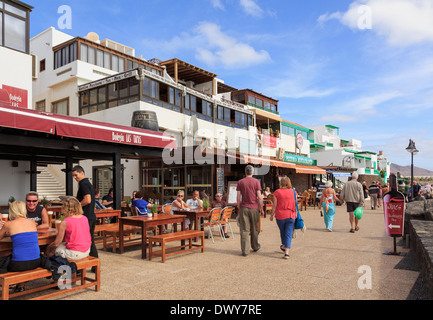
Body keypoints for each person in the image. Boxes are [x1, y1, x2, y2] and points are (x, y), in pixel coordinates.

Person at [0, 201, 50, 292]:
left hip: (18, 265)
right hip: (36, 262)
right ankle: (20, 285)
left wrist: (4, 229)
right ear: (24, 210)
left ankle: (12, 285)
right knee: (19, 254)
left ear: (12, 211)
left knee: (5, 257)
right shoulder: (32, 222)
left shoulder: (8, 224)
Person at [71, 165, 98, 262]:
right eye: (73, 176)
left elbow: (87, 200)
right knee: (89, 241)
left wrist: (76, 206)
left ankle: (85, 265)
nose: (74, 178)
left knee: (85, 241)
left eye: (76, 175)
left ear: (82, 172)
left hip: (86, 217)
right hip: (90, 216)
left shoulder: (83, 184)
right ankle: (95, 264)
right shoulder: (87, 183)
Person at [236, 165, 263, 257]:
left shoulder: (240, 182)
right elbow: (259, 197)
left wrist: (239, 208)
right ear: (253, 172)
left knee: (244, 230)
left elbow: (238, 197)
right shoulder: (256, 182)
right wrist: (261, 208)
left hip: (244, 207)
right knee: (254, 229)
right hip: (254, 208)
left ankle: (245, 250)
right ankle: (255, 246)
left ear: (245, 172)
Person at [269, 176, 297, 259]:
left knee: (282, 232)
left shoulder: (277, 192)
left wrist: (271, 215)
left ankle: (284, 245)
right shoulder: (293, 192)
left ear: (281, 183)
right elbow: (295, 204)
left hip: (280, 215)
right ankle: (286, 252)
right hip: (291, 215)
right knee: (288, 233)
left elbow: (274, 206)